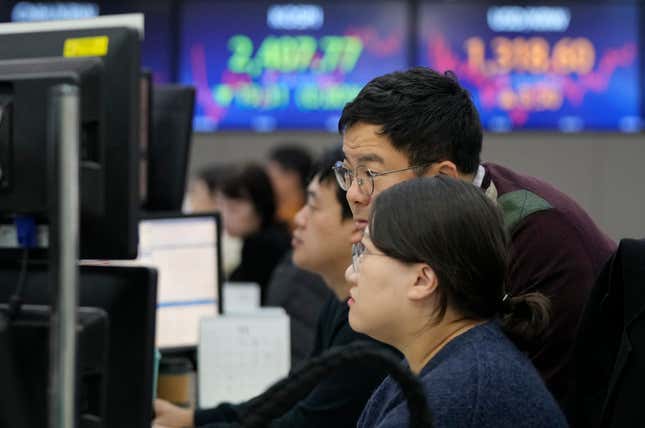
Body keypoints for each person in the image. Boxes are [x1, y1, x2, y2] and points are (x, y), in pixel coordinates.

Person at [334, 67, 615, 412]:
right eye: (348, 171)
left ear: (442, 178)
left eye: (370, 174)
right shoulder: (439, 231)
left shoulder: (541, 243)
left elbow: (510, 408)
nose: (353, 194)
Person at [153, 146, 397, 428]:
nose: (298, 219)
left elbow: (305, 422)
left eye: (314, 206)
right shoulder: (338, 303)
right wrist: (193, 419)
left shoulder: (369, 326)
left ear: (358, 224)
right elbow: (288, 395)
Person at [348, 176, 567, 427]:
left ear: (422, 280)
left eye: (365, 252)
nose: (351, 274)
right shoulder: (447, 364)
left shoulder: (458, 395)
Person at [217, 164, 291, 303]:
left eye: (234, 208)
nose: (224, 215)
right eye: (221, 205)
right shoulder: (277, 236)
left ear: (260, 208)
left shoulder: (261, 247)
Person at [184, 164, 242, 277]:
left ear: (216, 197)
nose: (191, 199)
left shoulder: (232, 237)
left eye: (196, 193)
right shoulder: (197, 229)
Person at [266, 145, 313, 231]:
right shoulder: (268, 213)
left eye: (272, 177)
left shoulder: (310, 216)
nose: (266, 183)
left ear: (292, 178)